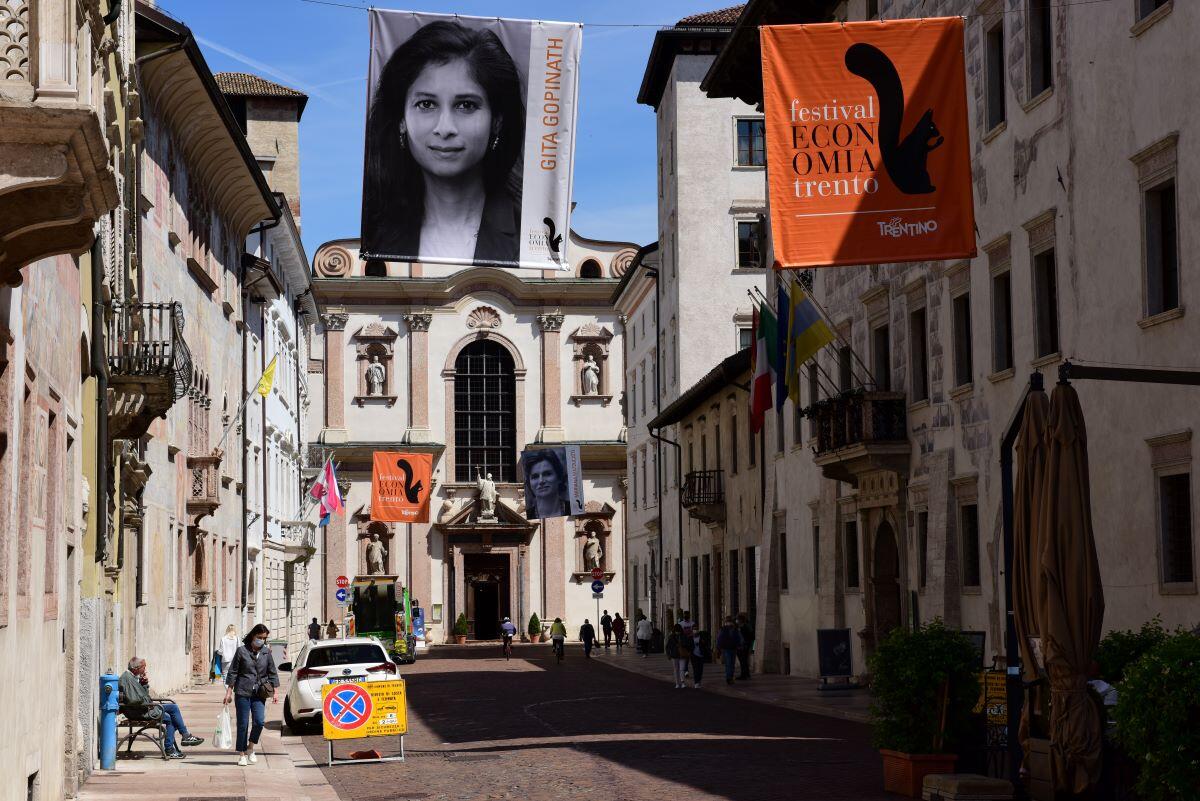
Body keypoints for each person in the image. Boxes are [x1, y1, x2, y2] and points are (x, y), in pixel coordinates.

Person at [364, 20, 526, 265]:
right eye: (427, 104)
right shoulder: (374, 234)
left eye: (466, 105)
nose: (445, 128)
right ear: (401, 120)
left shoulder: (532, 236)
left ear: (496, 122)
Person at [119, 657, 203, 759]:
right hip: (141, 712)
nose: (145, 670)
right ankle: (170, 749)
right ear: (136, 668)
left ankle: (185, 736)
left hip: (145, 708)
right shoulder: (127, 679)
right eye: (143, 667)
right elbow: (134, 700)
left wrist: (144, 684)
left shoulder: (131, 677)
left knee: (173, 707)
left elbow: (140, 696)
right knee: (170, 719)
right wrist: (148, 702)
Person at [223, 624, 280, 767]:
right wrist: (228, 692)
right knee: (242, 724)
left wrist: (275, 692)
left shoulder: (266, 653)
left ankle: (250, 748)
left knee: (259, 722)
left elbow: (272, 672)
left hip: (259, 693)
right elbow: (233, 672)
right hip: (242, 691)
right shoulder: (242, 651)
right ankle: (241, 754)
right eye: (259, 637)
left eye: (264, 638)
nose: (261, 640)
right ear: (253, 636)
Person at [523, 449, 571, 520]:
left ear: (559, 478)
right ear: (529, 483)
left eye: (547, 474)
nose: (541, 481)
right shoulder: (528, 515)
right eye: (535, 476)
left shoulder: (571, 508)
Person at [716, 617, 744, 685]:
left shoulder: (734, 629)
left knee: (730, 664)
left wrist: (740, 645)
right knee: (729, 664)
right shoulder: (725, 629)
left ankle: (730, 677)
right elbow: (719, 638)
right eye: (728, 621)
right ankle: (729, 678)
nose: (729, 623)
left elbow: (740, 638)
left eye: (729, 621)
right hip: (728, 649)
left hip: (732, 648)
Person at [666, 624, 691, 689]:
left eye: (678, 631)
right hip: (674, 655)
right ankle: (677, 683)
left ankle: (682, 682)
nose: (677, 632)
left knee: (682, 669)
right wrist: (669, 654)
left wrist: (682, 645)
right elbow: (668, 647)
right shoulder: (671, 637)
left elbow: (688, 645)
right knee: (676, 669)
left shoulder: (683, 636)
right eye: (676, 631)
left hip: (682, 655)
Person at [736, 613, 755, 680]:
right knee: (744, 660)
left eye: (737, 619)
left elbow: (744, 637)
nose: (736, 621)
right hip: (746, 645)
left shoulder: (743, 627)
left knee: (743, 661)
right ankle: (746, 674)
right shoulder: (746, 626)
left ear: (740, 620)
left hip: (743, 646)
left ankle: (744, 675)